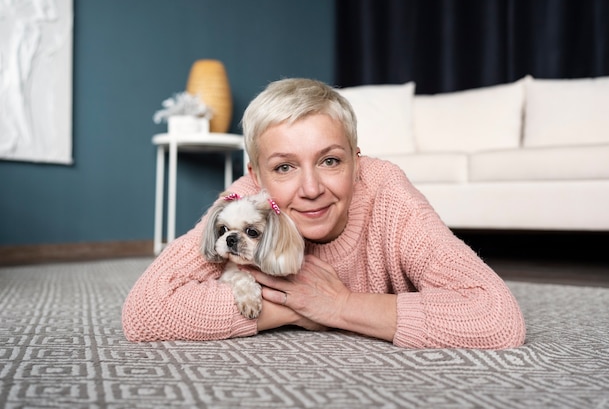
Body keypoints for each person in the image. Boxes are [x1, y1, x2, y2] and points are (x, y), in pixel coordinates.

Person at [122, 78, 526, 349]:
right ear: (256, 176)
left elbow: (496, 316)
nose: (312, 189)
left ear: (356, 160)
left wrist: (340, 306)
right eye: (284, 167)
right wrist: (298, 307)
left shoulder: (388, 193)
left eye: (330, 161)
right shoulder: (246, 201)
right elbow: (146, 311)